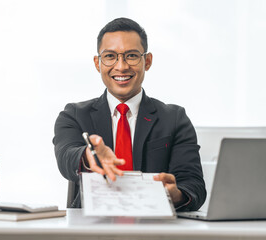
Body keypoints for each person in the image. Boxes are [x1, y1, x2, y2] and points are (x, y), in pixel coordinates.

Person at [53, 17, 206, 211]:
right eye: (110, 56)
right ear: (97, 63)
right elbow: (66, 158)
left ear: (147, 61)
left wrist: (174, 195)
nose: (121, 66)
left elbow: (194, 186)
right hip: (91, 228)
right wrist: (88, 156)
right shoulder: (73, 115)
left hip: (155, 227)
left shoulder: (175, 119)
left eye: (132, 55)